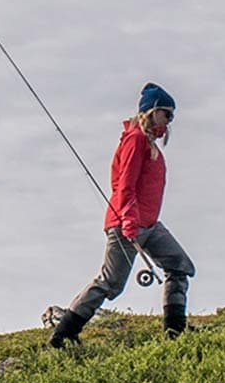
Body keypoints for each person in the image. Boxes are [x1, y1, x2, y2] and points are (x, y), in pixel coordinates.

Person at [49, 83, 196, 348]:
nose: (170, 120)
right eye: (167, 113)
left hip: (149, 224)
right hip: (127, 223)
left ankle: (175, 331)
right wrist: (128, 219)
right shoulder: (135, 140)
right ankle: (63, 334)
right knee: (111, 283)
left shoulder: (148, 144)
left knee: (179, 265)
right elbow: (124, 184)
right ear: (152, 111)